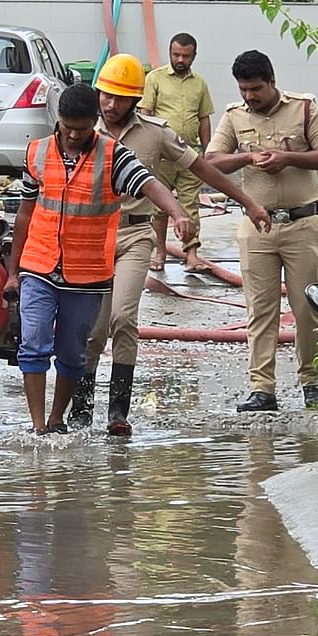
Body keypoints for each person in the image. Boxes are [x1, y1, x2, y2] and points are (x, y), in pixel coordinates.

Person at [72, 55, 272, 436]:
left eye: (120, 98)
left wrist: (247, 202)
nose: (111, 105)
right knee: (92, 329)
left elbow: (201, 168)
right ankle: (80, 411)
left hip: (133, 235)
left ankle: (118, 412)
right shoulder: (81, 127)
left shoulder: (155, 132)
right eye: (106, 96)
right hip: (90, 238)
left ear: (136, 100)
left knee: (123, 318)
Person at [3, 82, 193, 435]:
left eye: (82, 128)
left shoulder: (113, 155)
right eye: (67, 127)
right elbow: (25, 215)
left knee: (74, 352)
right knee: (33, 342)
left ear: (95, 123)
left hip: (87, 274)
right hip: (39, 265)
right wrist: (13, 271)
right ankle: (38, 425)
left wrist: (178, 213)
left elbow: (150, 184)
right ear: (58, 120)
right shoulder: (37, 153)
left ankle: (59, 418)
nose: (74, 135)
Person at [206, 50, 318, 413]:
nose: (250, 96)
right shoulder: (233, 117)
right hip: (257, 228)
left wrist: (288, 158)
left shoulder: (304, 108)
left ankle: (312, 381)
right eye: (244, 89)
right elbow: (212, 160)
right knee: (260, 310)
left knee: (307, 307)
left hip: (302, 224)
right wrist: (248, 158)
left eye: (256, 89)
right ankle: (262, 389)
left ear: (272, 81)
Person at [142, 34, 215, 273]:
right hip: (161, 155)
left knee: (189, 205)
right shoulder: (155, 79)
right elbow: (145, 113)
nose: (180, 59)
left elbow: (204, 119)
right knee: (159, 208)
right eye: (176, 54)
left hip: (190, 155)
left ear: (194, 56)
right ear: (170, 52)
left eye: (186, 55)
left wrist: (207, 152)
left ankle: (192, 255)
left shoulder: (200, 84)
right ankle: (160, 252)